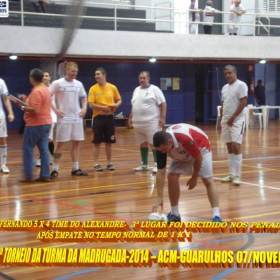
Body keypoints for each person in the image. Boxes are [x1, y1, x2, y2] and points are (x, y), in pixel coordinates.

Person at [152, 124, 222, 224]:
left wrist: (194, 177)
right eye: (161, 151)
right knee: (172, 176)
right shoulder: (161, 148)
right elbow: (160, 172)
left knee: (207, 180)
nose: (163, 153)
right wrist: (159, 197)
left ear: (170, 142)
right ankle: (175, 214)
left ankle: (216, 216)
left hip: (201, 148)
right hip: (181, 151)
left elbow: (198, 158)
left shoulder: (184, 138)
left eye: (164, 150)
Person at [49, 62, 88, 178]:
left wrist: (84, 108)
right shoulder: (57, 83)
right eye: (72, 71)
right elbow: (47, 97)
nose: (74, 73)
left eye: (76, 71)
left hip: (77, 118)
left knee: (76, 143)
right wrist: (55, 110)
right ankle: (55, 169)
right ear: (66, 70)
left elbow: (84, 98)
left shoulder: (79, 84)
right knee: (60, 144)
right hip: (64, 118)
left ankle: (75, 168)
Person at [15, 69, 52, 182]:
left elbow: (35, 110)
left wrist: (20, 106)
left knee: (28, 148)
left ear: (32, 78)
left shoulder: (37, 91)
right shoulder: (45, 89)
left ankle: (28, 175)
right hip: (46, 123)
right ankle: (45, 175)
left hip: (35, 124)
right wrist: (25, 100)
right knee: (44, 149)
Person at [129, 71, 166, 173]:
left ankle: (157, 164)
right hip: (138, 124)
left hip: (152, 123)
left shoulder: (155, 89)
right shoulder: (136, 90)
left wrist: (162, 118)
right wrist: (130, 118)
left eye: (144, 78)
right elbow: (134, 105)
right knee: (142, 143)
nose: (142, 80)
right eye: (140, 78)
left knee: (154, 144)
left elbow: (163, 103)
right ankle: (144, 164)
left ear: (148, 79)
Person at [88, 67, 122, 171]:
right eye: (95, 74)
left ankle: (109, 163)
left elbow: (119, 99)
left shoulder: (112, 87)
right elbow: (91, 104)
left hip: (109, 118)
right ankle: (96, 164)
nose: (96, 76)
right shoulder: (93, 88)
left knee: (109, 142)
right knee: (96, 142)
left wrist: (115, 106)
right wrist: (104, 108)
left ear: (104, 75)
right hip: (98, 118)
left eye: (98, 74)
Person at [218, 65, 248, 185]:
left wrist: (233, 118)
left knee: (236, 145)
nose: (228, 76)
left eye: (229, 73)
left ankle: (237, 175)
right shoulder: (224, 87)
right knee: (229, 146)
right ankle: (231, 174)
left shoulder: (241, 85)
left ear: (235, 72)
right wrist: (221, 120)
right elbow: (223, 104)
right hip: (226, 120)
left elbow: (243, 103)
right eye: (225, 74)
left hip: (237, 120)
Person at [36, 71, 56, 167]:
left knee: (47, 139)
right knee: (46, 138)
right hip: (42, 115)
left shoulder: (54, 88)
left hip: (52, 115)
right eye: (43, 76)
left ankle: (42, 159)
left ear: (49, 77)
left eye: (46, 76)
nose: (45, 77)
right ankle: (54, 158)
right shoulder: (39, 88)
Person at [0, 78, 15, 174]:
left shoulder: (1, 82)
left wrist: (10, 112)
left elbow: (6, 98)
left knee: (2, 138)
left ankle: (3, 165)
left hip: (0, 116)